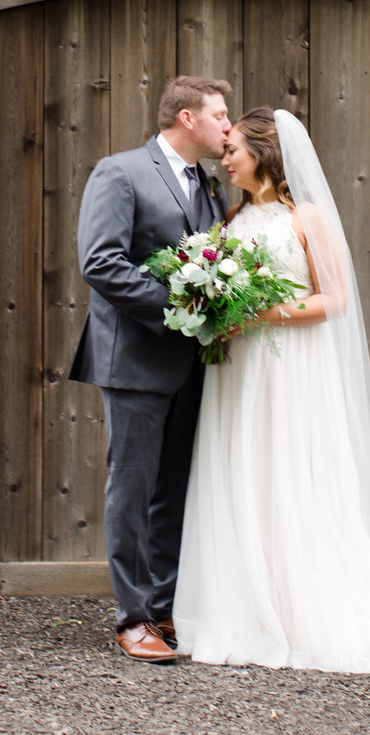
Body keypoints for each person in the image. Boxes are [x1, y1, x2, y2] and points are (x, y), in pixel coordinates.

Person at [174, 106, 370, 674]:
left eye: (233, 150)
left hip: (292, 370)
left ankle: (305, 610)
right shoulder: (230, 221)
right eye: (224, 150)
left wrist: (261, 313)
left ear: (264, 153)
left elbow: (335, 300)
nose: (224, 159)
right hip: (240, 373)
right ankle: (245, 608)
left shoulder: (307, 217)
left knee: (290, 475)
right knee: (243, 475)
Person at [69, 75, 232, 663]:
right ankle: (131, 617)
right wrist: (180, 312)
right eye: (219, 115)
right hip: (136, 358)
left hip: (194, 366)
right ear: (187, 118)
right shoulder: (121, 172)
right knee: (132, 490)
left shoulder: (209, 187)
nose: (227, 127)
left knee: (174, 492)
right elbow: (101, 262)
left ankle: (163, 609)